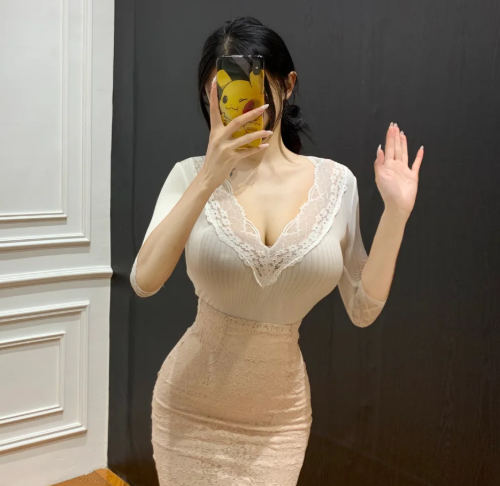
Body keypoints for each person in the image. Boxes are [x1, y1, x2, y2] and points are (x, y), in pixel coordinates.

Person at [130, 16, 423, 486]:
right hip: (187, 412)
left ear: (287, 85)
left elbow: (362, 308)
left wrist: (397, 213)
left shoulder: (336, 183)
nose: (238, 106)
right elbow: (144, 281)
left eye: (251, 88)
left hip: (277, 424)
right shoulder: (189, 176)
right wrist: (209, 176)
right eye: (222, 93)